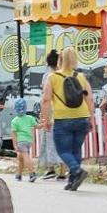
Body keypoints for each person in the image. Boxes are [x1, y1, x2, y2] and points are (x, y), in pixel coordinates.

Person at [39, 46, 94, 191]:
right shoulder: (81, 77)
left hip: (63, 119)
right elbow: (89, 99)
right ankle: (72, 181)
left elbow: (45, 100)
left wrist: (45, 119)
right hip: (82, 117)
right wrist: (91, 118)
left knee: (63, 150)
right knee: (75, 149)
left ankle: (76, 169)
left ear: (60, 60)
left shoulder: (53, 77)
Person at [37, 50, 67, 180]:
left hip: (51, 111)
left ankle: (51, 169)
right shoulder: (64, 74)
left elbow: (45, 97)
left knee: (49, 140)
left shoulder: (48, 76)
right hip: (63, 112)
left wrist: (44, 116)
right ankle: (62, 171)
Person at [11, 97, 39, 182]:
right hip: (29, 141)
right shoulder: (30, 118)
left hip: (21, 141)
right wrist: (43, 124)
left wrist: (15, 145)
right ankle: (18, 175)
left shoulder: (14, 121)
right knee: (20, 157)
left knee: (25, 157)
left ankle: (32, 173)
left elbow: (14, 135)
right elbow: (37, 126)